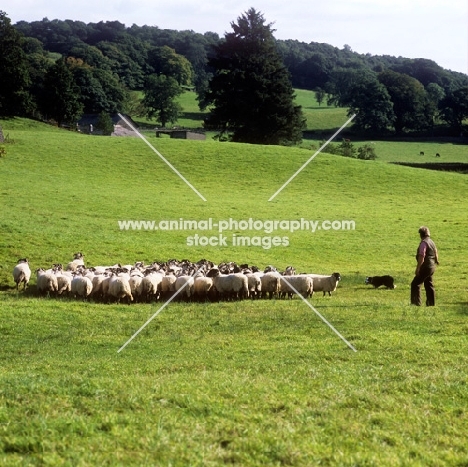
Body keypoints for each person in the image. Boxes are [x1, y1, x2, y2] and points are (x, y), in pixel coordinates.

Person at [410, 226, 439, 306]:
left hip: (425, 267)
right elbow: (435, 251)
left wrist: (418, 268)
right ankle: (431, 303)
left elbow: (422, 256)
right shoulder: (431, 242)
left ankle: (416, 304)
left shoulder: (423, 243)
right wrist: (436, 260)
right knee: (428, 284)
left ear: (420, 234)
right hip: (432, 266)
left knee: (415, 284)